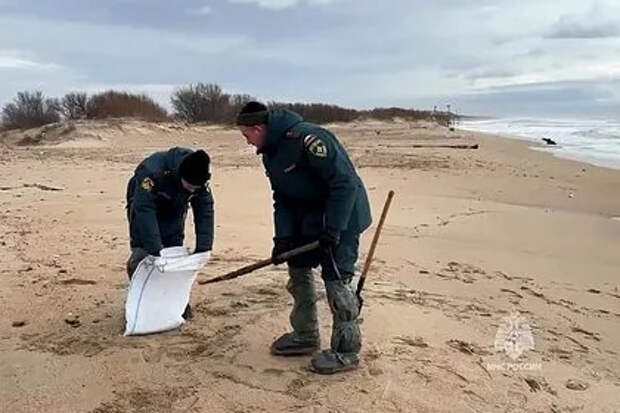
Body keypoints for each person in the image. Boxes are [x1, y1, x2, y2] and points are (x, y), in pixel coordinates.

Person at [236, 102, 372, 374]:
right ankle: (305, 335)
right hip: (307, 220)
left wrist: (333, 229)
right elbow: (282, 198)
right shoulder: (270, 154)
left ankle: (346, 352)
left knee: (337, 282)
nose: (247, 141)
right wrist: (283, 238)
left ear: (259, 128)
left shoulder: (311, 139)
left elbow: (343, 184)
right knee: (298, 271)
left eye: (246, 135)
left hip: (341, 218)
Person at [125, 147, 214, 318]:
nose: (193, 191)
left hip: (174, 205)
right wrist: (155, 250)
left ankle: (174, 301)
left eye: (196, 189)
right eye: (190, 187)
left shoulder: (199, 180)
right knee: (144, 252)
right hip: (143, 203)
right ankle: (143, 298)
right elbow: (144, 210)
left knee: (173, 249)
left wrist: (204, 247)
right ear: (180, 175)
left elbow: (205, 210)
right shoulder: (151, 173)